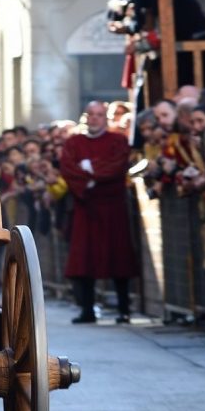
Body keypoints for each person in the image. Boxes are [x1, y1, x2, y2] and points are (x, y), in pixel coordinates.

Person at [59, 101, 138, 324]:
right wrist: (89, 180)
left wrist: (90, 169)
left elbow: (117, 165)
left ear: (105, 118)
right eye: (91, 115)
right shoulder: (74, 142)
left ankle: (124, 309)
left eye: (99, 115)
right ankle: (87, 310)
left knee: (119, 258)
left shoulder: (118, 141)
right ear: (86, 117)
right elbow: (68, 168)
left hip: (113, 207)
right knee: (84, 259)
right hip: (86, 206)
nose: (95, 119)